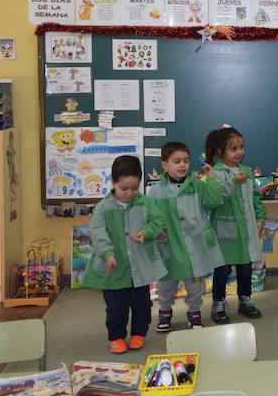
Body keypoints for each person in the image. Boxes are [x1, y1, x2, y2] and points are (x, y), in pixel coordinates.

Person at [82, 155, 167, 354]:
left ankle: (139, 333)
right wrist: (108, 253)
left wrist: (146, 232)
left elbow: (158, 222)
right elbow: (98, 232)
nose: (130, 193)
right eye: (124, 188)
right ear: (113, 183)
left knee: (142, 305)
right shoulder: (103, 207)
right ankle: (116, 336)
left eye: (134, 188)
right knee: (116, 307)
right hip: (114, 268)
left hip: (139, 267)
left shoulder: (145, 203)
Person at [147, 142, 224, 331]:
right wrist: (156, 229)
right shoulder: (156, 191)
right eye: (177, 161)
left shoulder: (197, 185)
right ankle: (165, 311)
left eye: (186, 161)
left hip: (195, 243)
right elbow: (150, 216)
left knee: (195, 284)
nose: (183, 165)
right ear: (165, 165)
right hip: (170, 243)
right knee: (167, 283)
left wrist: (211, 179)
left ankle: (194, 312)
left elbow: (214, 201)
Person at [205, 127, 265, 324]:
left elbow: (255, 198)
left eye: (241, 147)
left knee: (245, 267)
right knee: (222, 269)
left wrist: (260, 219)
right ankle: (218, 302)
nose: (239, 152)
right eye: (233, 148)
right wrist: (233, 182)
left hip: (245, 230)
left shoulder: (246, 171)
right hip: (225, 231)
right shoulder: (215, 173)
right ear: (220, 151)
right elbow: (216, 198)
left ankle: (245, 299)